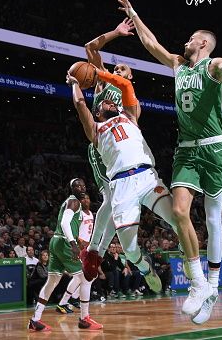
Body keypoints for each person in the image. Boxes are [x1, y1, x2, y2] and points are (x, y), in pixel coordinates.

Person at [117, 0, 222, 324]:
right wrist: (133, 11)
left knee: (213, 220)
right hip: (186, 149)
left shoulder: (213, 65)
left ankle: (212, 288)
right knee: (180, 210)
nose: (184, 43)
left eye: (190, 40)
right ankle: (198, 282)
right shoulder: (177, 64)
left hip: (214, 149)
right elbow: (150, 43)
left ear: (202, 44)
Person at [68, 65, 180, 297]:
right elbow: (80, 105)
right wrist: (75, 84)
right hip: (121, 186)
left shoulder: (129, 115)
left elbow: (126, 85)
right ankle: (144, 267)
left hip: (147, 177)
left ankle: (192, 263)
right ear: (97, 113)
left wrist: (100, 73)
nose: (110, 104)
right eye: (104, 104)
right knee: (129, 250)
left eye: (112, 103)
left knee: (178, 217)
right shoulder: (96, 130)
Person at [81, 18, 138, 275]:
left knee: (117, 204)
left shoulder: (132, 101)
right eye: (116, 66)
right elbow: (90, 47)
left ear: (130, 76)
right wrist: (116, 32)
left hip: (120, 152)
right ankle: (95, 250)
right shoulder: (103, 81)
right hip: (101, 147)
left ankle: (97, 253)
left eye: (123, 68)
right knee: (111, 199)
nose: (118, 68)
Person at [29, 179, 102, 332]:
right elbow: (64, 223)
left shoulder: (71, 202)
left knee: (52, 281)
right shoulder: (74, 201)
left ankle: (35, 320)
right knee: (86, 278)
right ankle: (84, 318)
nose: (81, 188)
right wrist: (73, 244)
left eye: (83, 185)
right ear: (72, 188)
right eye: (77, 186)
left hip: (55, 242)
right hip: (64, 243)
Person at [56, 192, 93, 313]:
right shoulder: (79, 213)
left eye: (88, 198)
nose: (86, 200)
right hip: (79, 247)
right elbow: (73, 229)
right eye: (83, 199)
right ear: (80, 202)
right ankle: (66, 301)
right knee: (80, 277)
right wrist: (79, 243)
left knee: (88, 276)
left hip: (87, 247)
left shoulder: (90, 213)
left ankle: (72, 298)